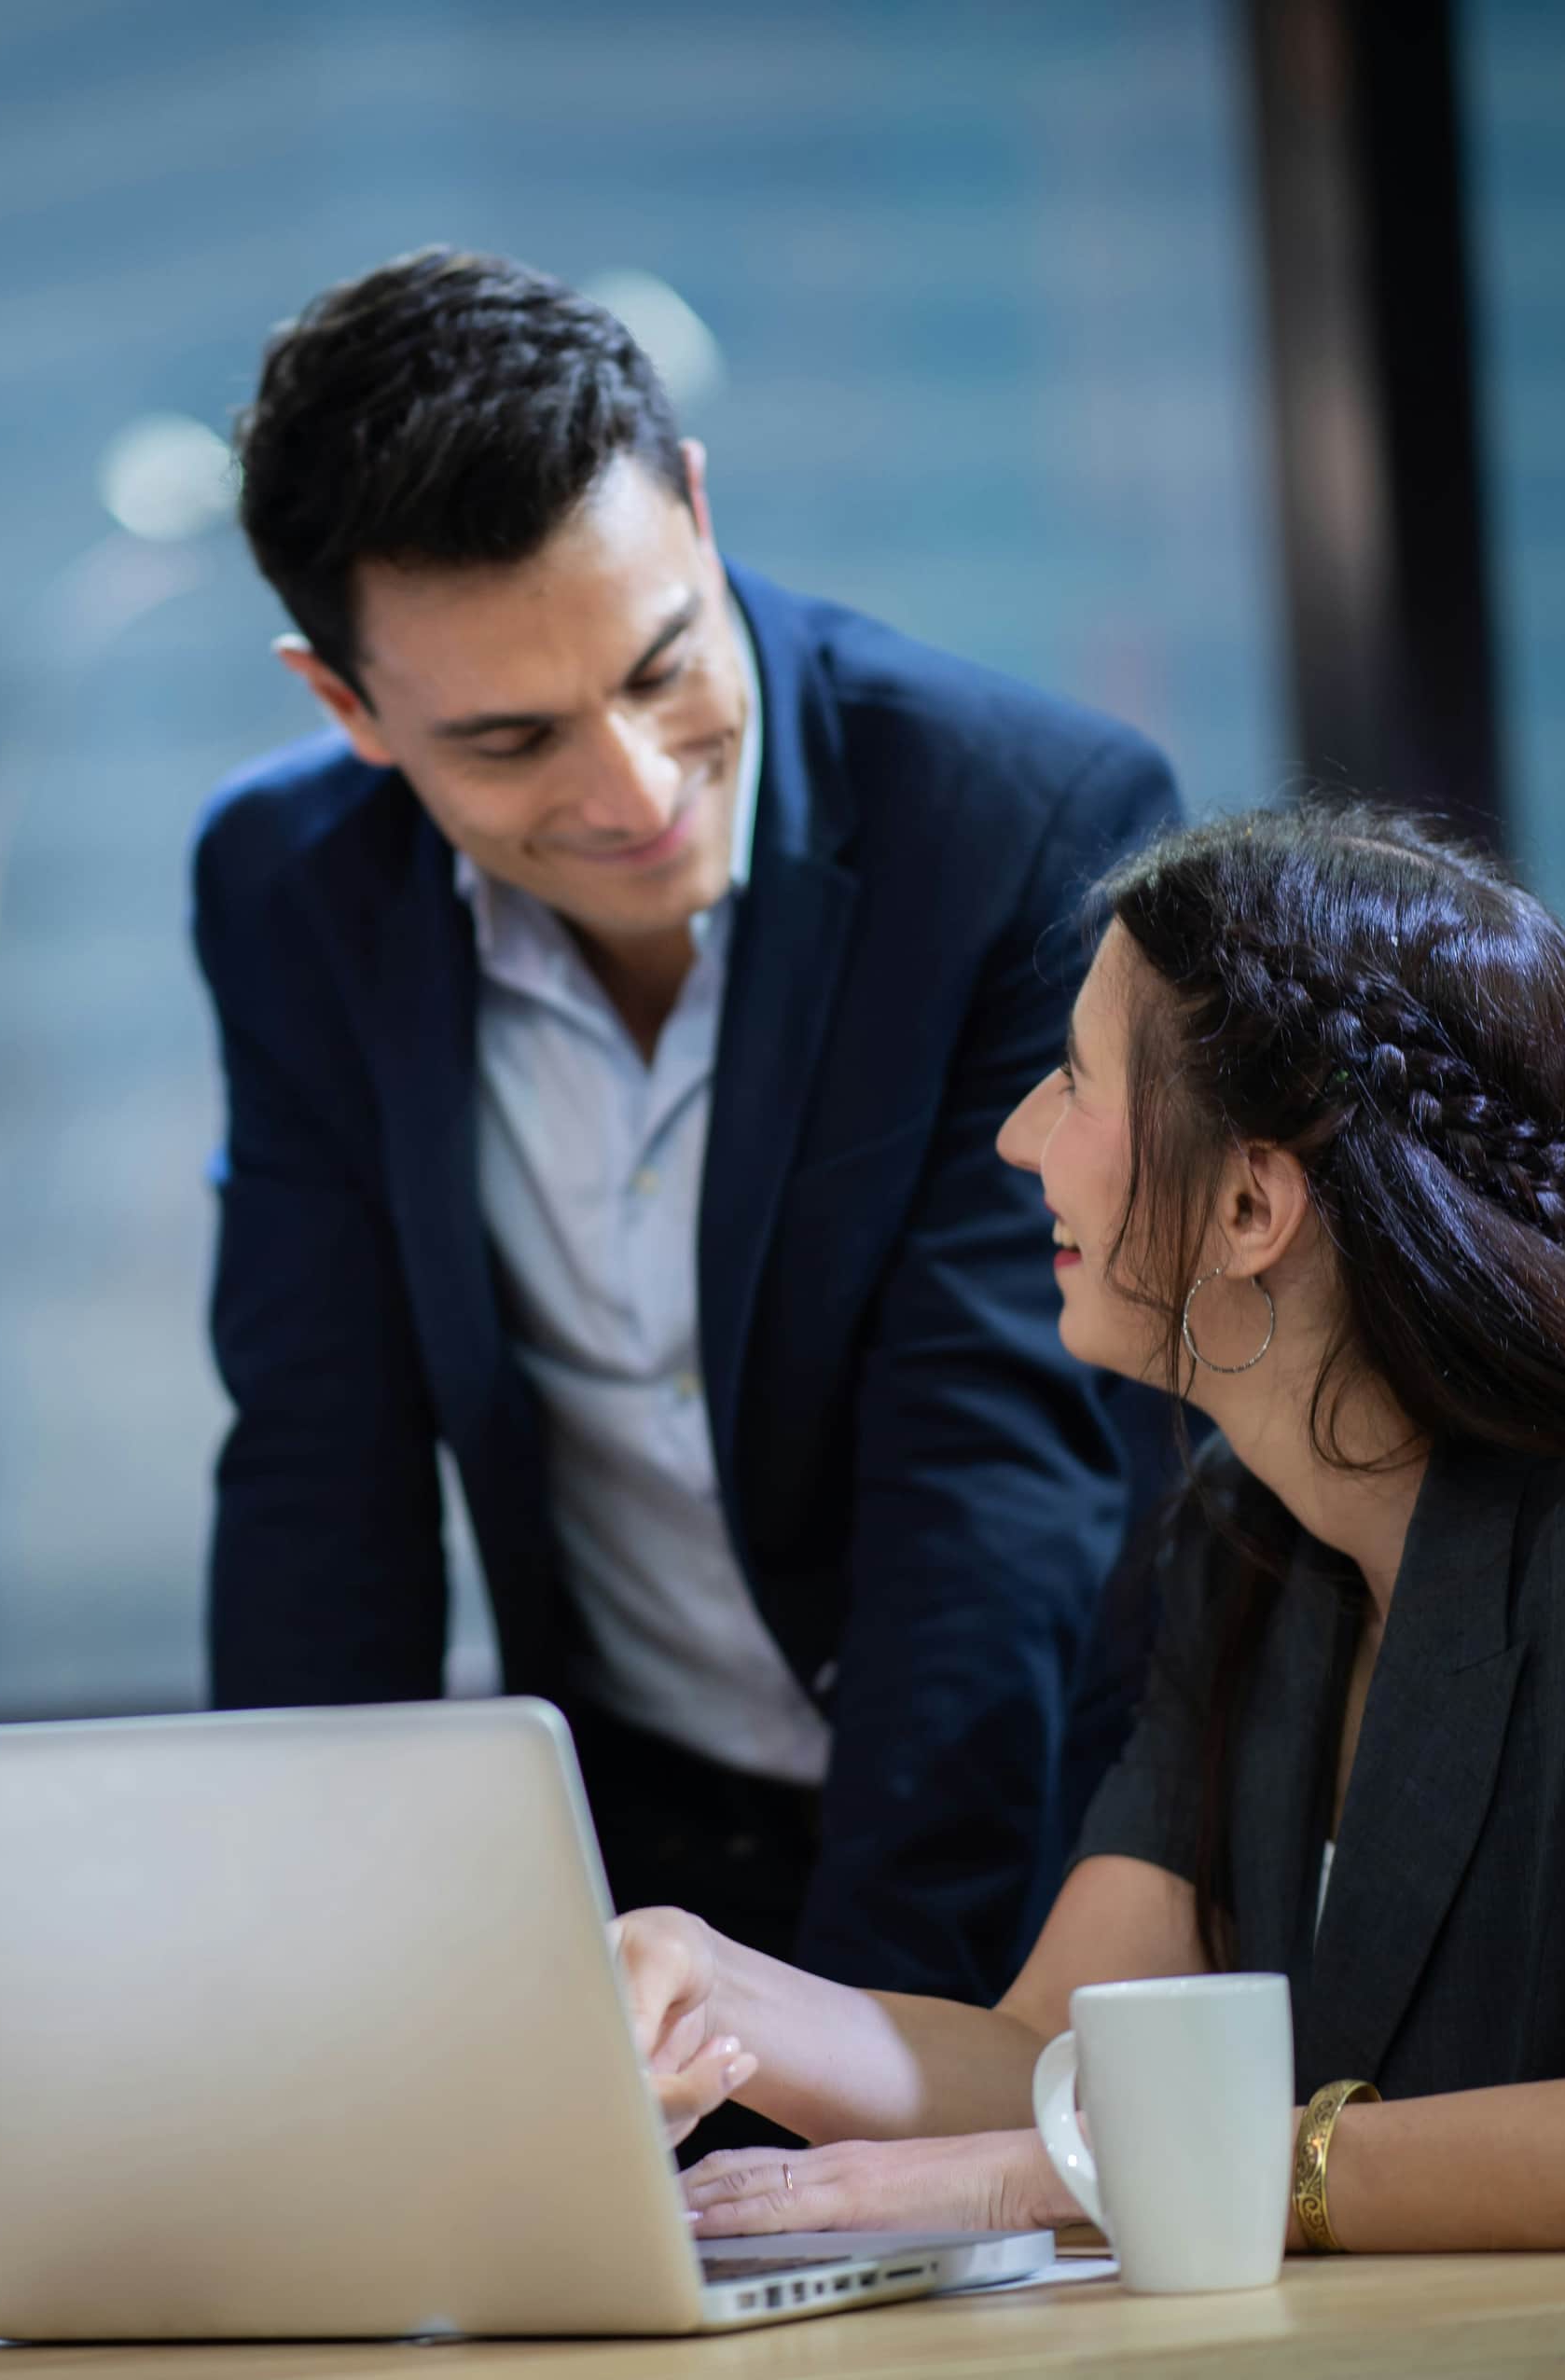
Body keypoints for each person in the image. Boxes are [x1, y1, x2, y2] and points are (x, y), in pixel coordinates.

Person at [619, 804, 1565, 2380]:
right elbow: (1044, 2064)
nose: (1021, 1134)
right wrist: (707, 1984)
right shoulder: (1250, 1539)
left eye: (1076, 1077)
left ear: (1248, 1209)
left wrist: (1098, 2176)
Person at [196, 248, 1181, 2009]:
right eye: (510, 742)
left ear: (699, 510)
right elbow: (317, 1475)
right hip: (646, 1879)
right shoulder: (289, 895)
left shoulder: (1010, 824)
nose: (634, 789)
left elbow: (991, 1481)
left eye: (663, 668)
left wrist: (865, 2063)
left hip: (1036, 1855)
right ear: (344, 706)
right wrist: (300, 2006)